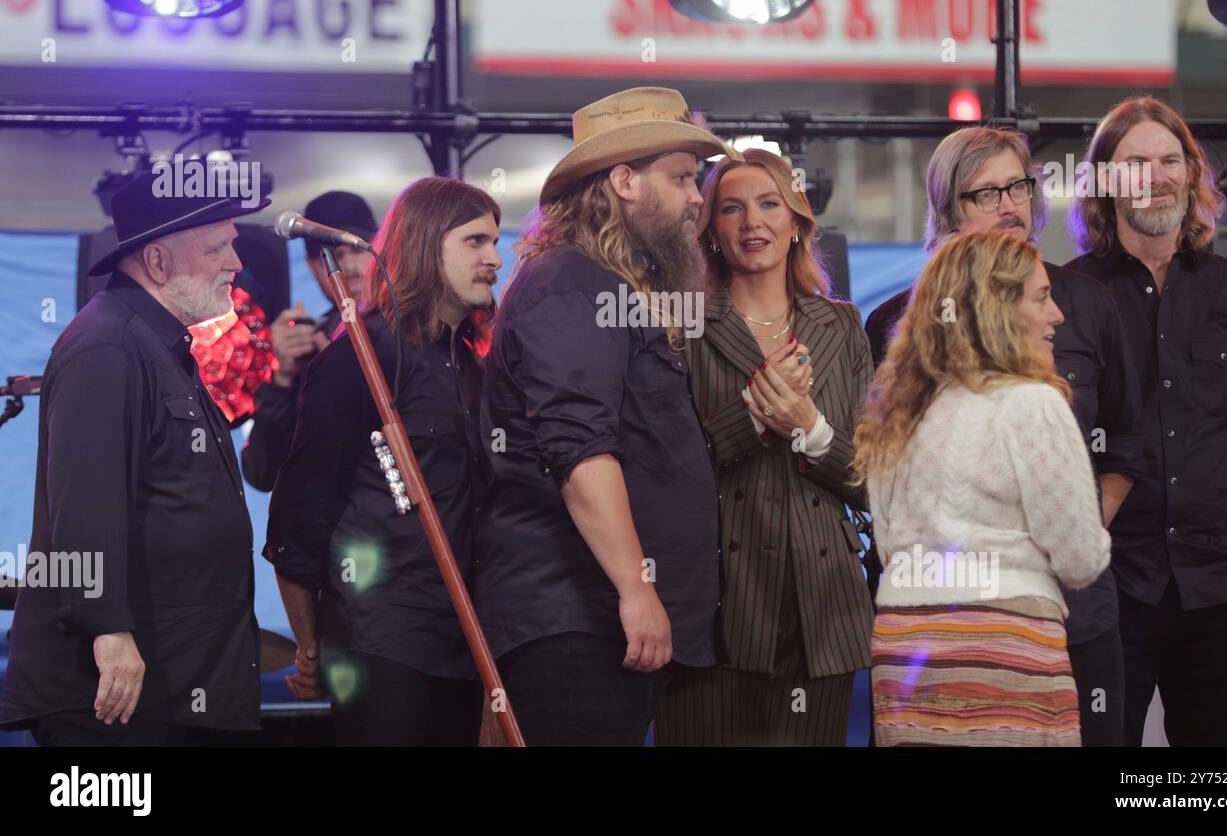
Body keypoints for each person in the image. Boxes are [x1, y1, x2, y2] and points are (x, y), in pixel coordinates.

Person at [475, 86, 740, 746]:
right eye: (681, 177)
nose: (695, 198)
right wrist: (635, 587)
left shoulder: (609, 286)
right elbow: (579, 448)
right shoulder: (571, 282)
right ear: (624, 181)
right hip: (577, 623)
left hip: (599, 621)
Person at [866, 127, 1142, 746]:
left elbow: (1127, 443)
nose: (1009, 205)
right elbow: (1077, 553)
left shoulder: (1089, 305)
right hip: (1003, 639)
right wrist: (1055, 542)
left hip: (1001, 627)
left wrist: (1064, 528)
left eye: (1018, 185)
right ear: (947, 210)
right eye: (985, 193)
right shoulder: (895, 327)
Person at [0, 167, 268, 745]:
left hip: (175, 683)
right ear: (157, 263)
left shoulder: (155, 342)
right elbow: (87, 499)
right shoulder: (108, 345)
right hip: (122, 696)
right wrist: (109, 630)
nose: (235, 264)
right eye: (217, 247)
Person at [1068, 96, 1227, 746]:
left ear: (1192, 175)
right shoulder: (1069, 294)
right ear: (1106, 179)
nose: (1157, 175)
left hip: (1222, 591)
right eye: (1137, 161)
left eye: (1171, 160)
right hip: (1108, 589)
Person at [264, 177, 501, 746]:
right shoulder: (357, 356)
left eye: (495, 241)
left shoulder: (469, 362)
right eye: (475, 242)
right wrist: (308, 644)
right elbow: (299, 517)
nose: (494, 258)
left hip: (466, 640)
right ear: (424, 246)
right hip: (381, 642)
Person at [653, 148, 874, 746]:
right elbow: (666, 468)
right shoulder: (680, 323)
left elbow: (871, 479)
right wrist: (752, 415)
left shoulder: (843, 324)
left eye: (769, 204)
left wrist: (808, 423)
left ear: (798, 222)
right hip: (718, 607)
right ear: (711, 229)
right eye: (732, 208)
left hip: (822, 613)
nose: (753, 222)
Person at [240, 191, 376, 492]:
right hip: (329, 531)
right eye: (334, 256)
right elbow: (263, 473)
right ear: (314, 267)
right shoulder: (309, 345)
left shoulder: (414, 329)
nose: (350, 269)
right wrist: (281, 377)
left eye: (357, 250)